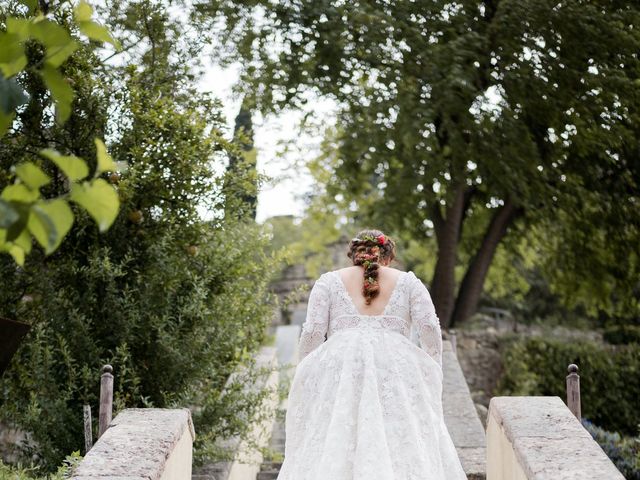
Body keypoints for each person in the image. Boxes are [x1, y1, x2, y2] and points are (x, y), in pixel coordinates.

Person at [277, 229, 468, 480]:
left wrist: (309, 373)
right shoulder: (409, 282)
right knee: (399, 441)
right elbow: (430, 330)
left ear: (353, 255)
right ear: (388, 256)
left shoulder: (328, 282)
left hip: (341, 370)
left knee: (336, 438)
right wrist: (432, 369)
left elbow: (312, 334)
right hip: (395, 371)